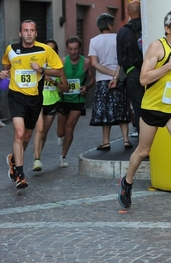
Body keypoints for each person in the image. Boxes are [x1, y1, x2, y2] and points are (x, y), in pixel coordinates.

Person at [117, 10, 171, 214]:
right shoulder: (157, 47)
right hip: (152, 107)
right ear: (167, 28)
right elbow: (143, 79)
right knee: (143, 151)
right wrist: (169, 66)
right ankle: (127, 183)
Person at [0, 20, 65, 188]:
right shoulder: (11, 50)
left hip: (35, 99)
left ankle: (13, 159)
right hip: (16, 96)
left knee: (27, 137)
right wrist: (4, 73)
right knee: (19, 133)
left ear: (36, 34)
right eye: (25, 30)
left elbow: (59, 70)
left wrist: (42, 70)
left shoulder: (45, 50)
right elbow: (6, 65)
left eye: (32, 30)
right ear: (20, 33)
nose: (29, 33)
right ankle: (20, 175)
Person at [89, 13, 132, 151]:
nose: (115, 27)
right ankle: (126, 139)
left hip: (102, 80)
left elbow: (94, 63)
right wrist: (116, 74)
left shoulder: (93, 41)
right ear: (109, 25)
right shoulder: (118, 38)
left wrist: (109, 73)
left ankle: (106, 141)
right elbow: (124, 58)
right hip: (120, 78)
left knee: (104, 111)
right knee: (122, 108)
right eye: (114, 24)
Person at [57, 36, 94, 168]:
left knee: (70, 127)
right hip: (63, 99)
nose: (73, 52)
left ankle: (63, 157)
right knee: (60, 131)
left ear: (80, 49)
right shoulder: (61, 62)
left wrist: (87, 87)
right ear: (67, 49)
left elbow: (92, 78)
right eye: (70, 49)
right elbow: (57, 78)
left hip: (78, 99)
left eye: (76, 49)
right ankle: (61, 136)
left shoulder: (86, 62)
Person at [32, 39, 68, 171]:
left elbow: (66, 88)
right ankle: (37, 159)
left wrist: (53, 81)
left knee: (44, 133)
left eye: (52, 49)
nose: (49, 51)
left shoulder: (57, 67)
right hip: (38, 101)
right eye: (47, 49)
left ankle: (38, 156)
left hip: (52, 102)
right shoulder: (36, 65)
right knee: (39, 129)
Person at [116, 0, 144, 138]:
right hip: (152, 71)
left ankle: (143, 141)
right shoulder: (149, 27)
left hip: (133, 73)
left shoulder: (123, 32)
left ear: (127, 12)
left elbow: (120, 60)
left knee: (138, 107)